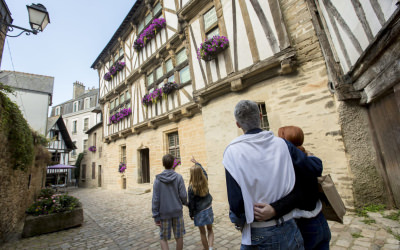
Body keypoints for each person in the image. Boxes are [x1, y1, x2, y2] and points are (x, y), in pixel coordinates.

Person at [223, 100, 323, 249]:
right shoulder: (282, 144)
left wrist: (240, 222)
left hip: (259, 231)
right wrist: (313, 158)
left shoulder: (231, 151)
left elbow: (236, 204)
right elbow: (313, 169)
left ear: (237, 124)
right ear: (261, 116)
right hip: (289, 228)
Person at [253, 126, 331, 250]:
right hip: (320, 221)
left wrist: (274, 209)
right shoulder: (310, 159)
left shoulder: (290, 166)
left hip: (304, 225)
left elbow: (297, 195)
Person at [152, 154, 188, 250]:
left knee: (163, 238)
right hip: (177, 211)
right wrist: (185, 203)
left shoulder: (158, 180)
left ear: (163, 164)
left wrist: (156, 215)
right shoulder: (178, 177)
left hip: (164, 213)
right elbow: (184, 195)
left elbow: (155, 199)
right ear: (173, 164)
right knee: (179, 236)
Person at [188, 156, 214, 250]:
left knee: (202, 232)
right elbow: (204, 171)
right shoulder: (205, 180)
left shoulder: (191, 188)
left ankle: (206, 248)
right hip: (208, 208)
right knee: (210, 229)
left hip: (199, 212)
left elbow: (191, 204)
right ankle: (210, 248)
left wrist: (191, 214)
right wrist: (197, 163)